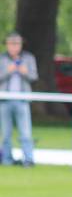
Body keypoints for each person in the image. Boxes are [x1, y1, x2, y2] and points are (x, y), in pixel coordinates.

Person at [0, 32, 38, 167]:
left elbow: (34, 76)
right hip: (4, 100)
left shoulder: (28, 58)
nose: (14, 46)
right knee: (6, 133)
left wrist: (24, 72)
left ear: (21, 45)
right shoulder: (2, 59)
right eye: (11, 43)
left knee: (25, 132)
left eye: (16, 43)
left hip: (22, 99)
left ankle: (28, 159)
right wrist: (8, 71)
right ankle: (6, 160)